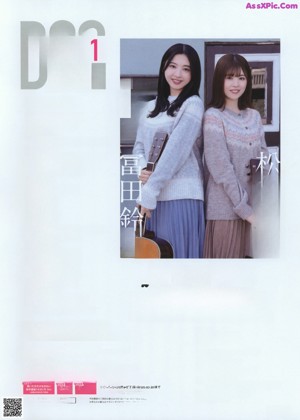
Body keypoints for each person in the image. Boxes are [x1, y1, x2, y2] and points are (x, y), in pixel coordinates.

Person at [133, 43, 205, 258]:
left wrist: (149, 191)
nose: (177, 74)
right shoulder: (149, 108)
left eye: (186, 69)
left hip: (180, 198)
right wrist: (141, 170)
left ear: (194, 74)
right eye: (172, 66)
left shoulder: (192, 105)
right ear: (164, 67)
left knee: (177, 261)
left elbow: (175, 154)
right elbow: (138, 146)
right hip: (152, 199)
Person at [203, 53, 269, 258]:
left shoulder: (254, 116)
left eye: (241, 78)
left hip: (254, 211)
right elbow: (220, 168)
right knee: (225, 280)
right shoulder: (214, 116)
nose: (236, 84)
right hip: (226, 211)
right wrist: (245, 210)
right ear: (219, 80)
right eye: (229, 77)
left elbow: (264, 157)